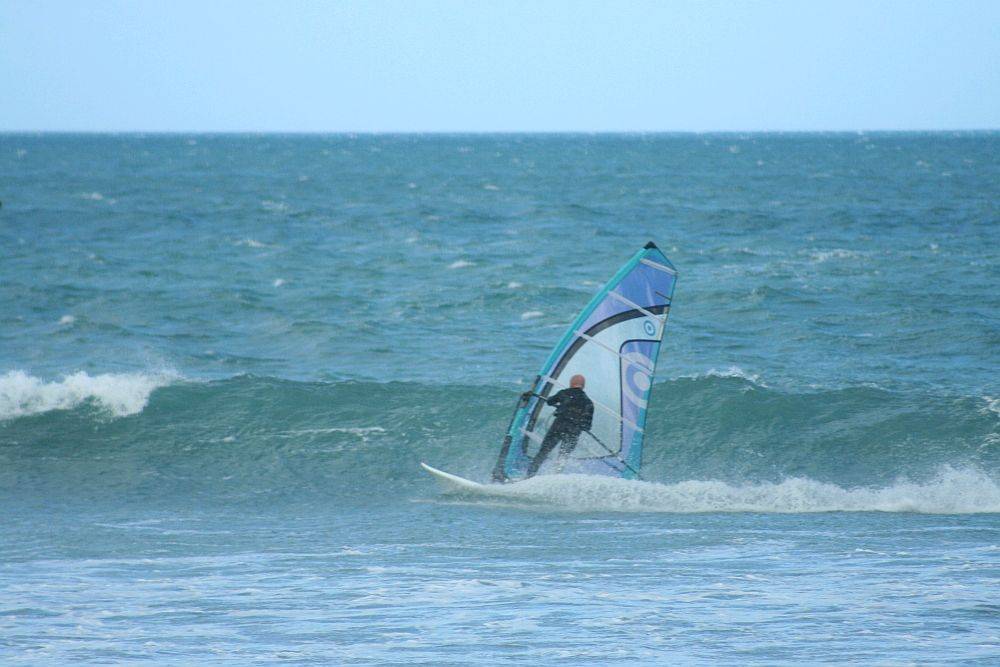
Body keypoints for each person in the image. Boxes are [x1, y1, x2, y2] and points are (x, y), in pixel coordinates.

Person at [523, 374, 594, 477]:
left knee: (543, 452)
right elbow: (587, 426)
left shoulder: (564, 393)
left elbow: (550, 401)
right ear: (583, 386)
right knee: (563, 456)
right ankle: (555, 476)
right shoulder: (589, 403)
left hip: (559, 425)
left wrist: (562, 405)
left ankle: (529, 475)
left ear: (571, 384)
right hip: (574, 430)